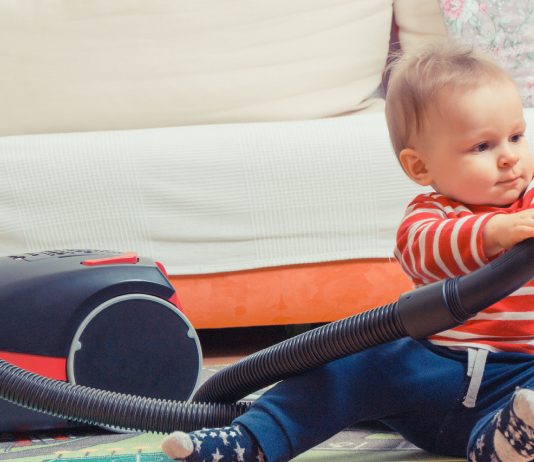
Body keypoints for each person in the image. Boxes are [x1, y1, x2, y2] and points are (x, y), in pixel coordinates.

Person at [161, 41, 534, 462]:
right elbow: (423, 252)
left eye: (517, 137)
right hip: (432, 371)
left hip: (521, 378)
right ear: (420, 167)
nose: (509, 158)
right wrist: (493, 233)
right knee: (351, 360)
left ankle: (504, 443)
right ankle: (251, 441)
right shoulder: (429, 216)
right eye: (482, 147)